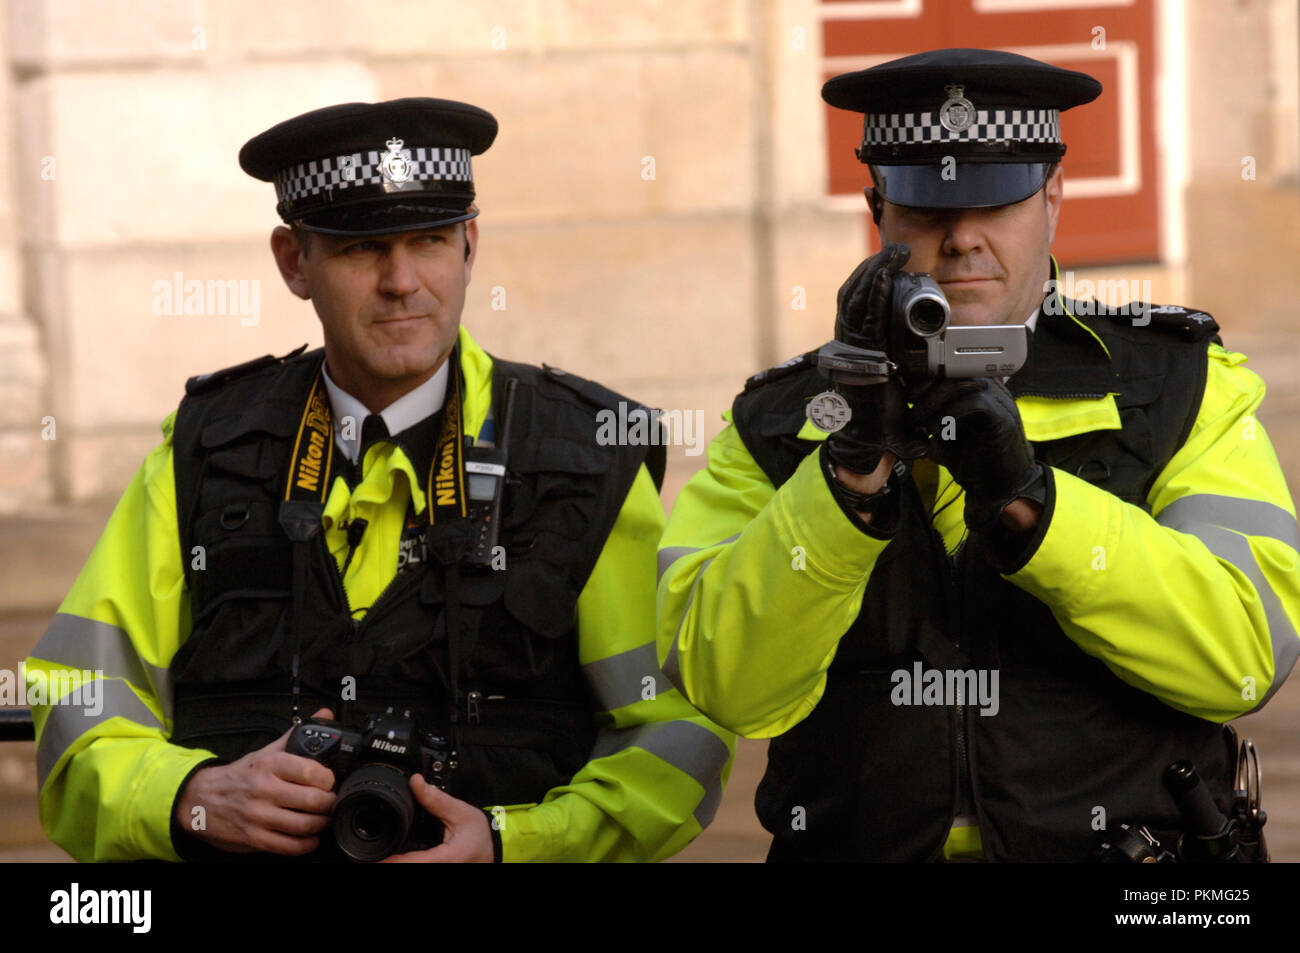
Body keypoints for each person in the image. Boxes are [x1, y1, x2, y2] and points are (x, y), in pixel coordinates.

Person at [27, 97, 733, 862]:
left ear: (469, 245)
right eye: (362, 249)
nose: (402, 281)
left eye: (428, 240)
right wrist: (188, 797)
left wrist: (512, 844)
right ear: (295, 262)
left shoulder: (587, 455)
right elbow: (75, 693)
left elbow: (676, 734)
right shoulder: (202, 447)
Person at [656, 48, 1300, 861]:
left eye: (996, 202)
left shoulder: (1178, 384)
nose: (961, 239)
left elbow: (1246, 652)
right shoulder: (782, 421)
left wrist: (1037, 504)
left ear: (1054, 198)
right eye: (927, 209)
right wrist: (845, 482)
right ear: (876, 208)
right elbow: (723, 683)